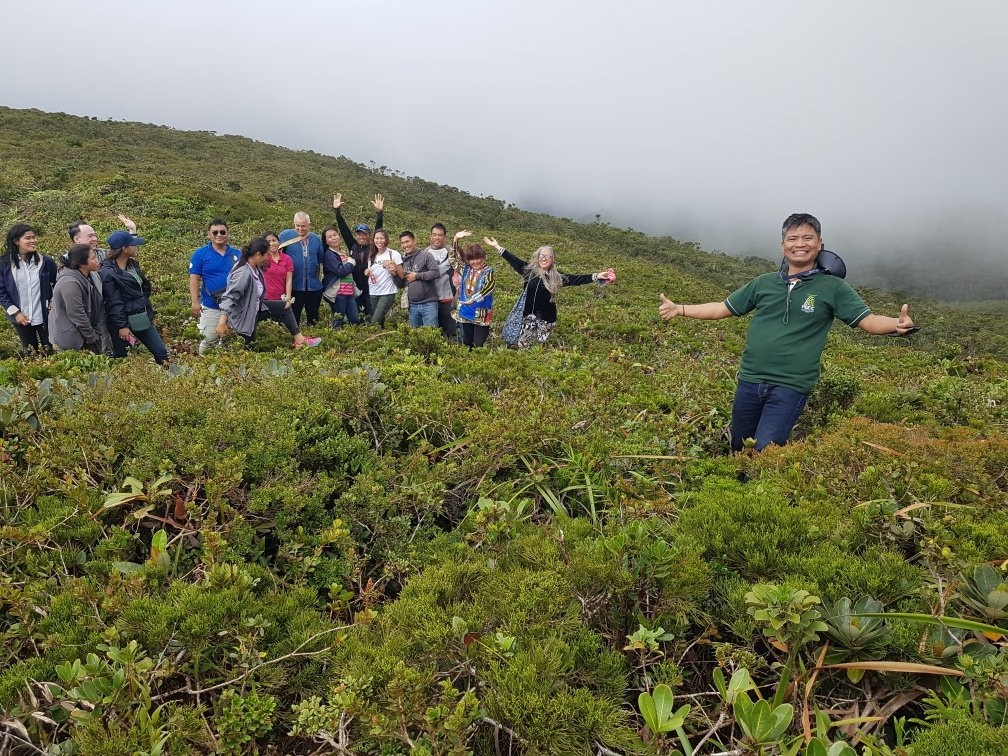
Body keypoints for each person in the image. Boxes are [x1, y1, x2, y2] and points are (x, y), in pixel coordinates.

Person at [658, 212, 915, 452]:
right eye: (792, 238)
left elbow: (868, 321)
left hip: (790, 386)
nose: (799, 244)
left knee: (765, 450)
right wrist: (680, 309)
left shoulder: (833, 287)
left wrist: (896, 323)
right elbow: (722, 308)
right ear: (782, 245)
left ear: (820, 243)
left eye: (807, 238)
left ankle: (756, 496)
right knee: (739, 447)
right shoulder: (763, 283)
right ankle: (736, 491)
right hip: (750, 380)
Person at [483, 236, 615, 348]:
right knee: (523, 345)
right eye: (542, 256)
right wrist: (497, 246)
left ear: (552, 260)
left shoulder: (557, 277)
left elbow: (577, 279)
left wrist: (597, 275)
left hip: (546, 319)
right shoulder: (529, 271)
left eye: (548, 256)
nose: (544, 258)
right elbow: (514, 260)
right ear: (538, 257)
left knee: (539, 348)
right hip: (528, 316)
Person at [215, 237, 322, 350]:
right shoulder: (243, 273)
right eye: (267, 255)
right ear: (258, 255)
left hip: (256, 308)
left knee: (284, 306)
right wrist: (222, 322)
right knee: (248, 349)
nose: (268, 258)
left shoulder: (255, 268)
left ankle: (300, 340)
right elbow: (230, 296)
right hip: (245, 316)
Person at [100, 230, 170, 365]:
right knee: (121, 358)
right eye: (133, 245)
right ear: (124, 249)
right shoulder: (107, 272)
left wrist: (149, 314)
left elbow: (142, 291)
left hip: (141, 317)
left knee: (161, 353)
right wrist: (122, 326)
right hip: (122, 322)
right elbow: (114, 302)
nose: (136, 247)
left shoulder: (132, 265)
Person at [1, 224, 57, 354]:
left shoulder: (46, 262)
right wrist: (16, 313)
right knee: (30, 352)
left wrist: (53, 302)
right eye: (28, 238)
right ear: (16, 241)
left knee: (50, 349)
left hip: (45, 315)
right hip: (21, 317)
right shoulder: (5, 263)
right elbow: (1, 292)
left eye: (34, 237)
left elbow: (57, 283)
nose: (33, 241)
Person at [189, 219, 240, 355]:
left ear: (228, 234)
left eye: (222, 232)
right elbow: (194, 278)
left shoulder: (237, 254)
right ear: (208, 234)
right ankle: (202, 368)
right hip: (212, 306)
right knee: (209, 340)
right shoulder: (200, 254)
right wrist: (195, 302)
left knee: (231, 342)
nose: (219, 235)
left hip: (235, 307)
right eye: (215, 232)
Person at [332, 192, 384, 319]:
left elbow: (378, 229)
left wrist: (379, 214)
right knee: (357, 317)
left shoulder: (373, 247)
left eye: (364, 234)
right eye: (359, 234)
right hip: (354, 289)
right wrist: (337, 211)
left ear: (369, 235)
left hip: (370, 289)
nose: (361, 236)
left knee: (372, 316)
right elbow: (343, 229)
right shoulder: (353, 246)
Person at [49, 244, 108, 353]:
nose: (97, 260)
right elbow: (77, 313)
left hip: (81, 334)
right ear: (82, 263)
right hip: (70, 338)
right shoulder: (70, 282)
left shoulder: (87, 276)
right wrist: (91, 336)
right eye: (93, 258)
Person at [278, 212, 324, 326]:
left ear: (309, 225)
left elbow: (319, 261)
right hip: (294, 286)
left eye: (303, 226)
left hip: (313, 288)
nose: (300, 228)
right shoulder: (285, 235)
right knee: (293, 319)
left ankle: (313, 339)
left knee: (313, 319)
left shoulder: (316, 239)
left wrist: (317, 279)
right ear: (293, 224)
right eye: (297, 225)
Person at [451, 232, 495, 348]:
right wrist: (455, 239)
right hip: (465, 313)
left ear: (483, 257)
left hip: (481, 315)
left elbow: (489, 286)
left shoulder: (488, 271)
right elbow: (454, 258)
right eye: (472, 259)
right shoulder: (464, 269)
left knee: (478, 345)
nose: (475, 262)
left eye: (478, 258)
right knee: (466, 343)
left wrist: (474, 299)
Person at [393, 231, 439, 327]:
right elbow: (401, 284)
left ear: (414, 241)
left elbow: (435, 273)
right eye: (402, 243)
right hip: (412, 305)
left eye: (407, 241)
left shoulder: (426, 255)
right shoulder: (401, 261)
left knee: (431, 334)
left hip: (429, 304)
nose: (405, 245)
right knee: (416, 336)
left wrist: (417, 276)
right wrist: (393, 274)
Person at [319, 225, 358, 328]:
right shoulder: (329, 254)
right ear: (326, 241)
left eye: (335, 235)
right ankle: (337, 342)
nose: (333, 238)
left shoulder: (343, 252)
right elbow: (340, 271)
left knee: (354, 320)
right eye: (330, 237)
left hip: (349, 292)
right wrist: (351, 263)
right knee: (338, 321)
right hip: (338, 293)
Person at [363, 228, 403, 327]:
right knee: (380, 322)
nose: (379, 241)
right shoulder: (371, 254)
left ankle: (372, 336)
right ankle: (382, 339)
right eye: (377, 238)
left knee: (374, 322)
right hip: (373, 292)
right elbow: (371, 271)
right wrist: (366, 272)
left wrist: (391, 265)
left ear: (386, 239)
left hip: (387, 293)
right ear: (373, 239)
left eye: (382, 238)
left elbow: (401, 275)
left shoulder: (393, 254)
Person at [426, 223, 458, 339]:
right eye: (434, 235)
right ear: (430, 236)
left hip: (448, 297)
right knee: (435, 331)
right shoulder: (426, 252)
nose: (437, 238)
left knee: (450, 331)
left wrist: (456, 240)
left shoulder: (451, 251)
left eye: (440, 235)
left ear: (444, 237)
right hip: (430, 299)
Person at [69, 213, 137, 263]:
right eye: (90, 236)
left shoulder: (103, 254)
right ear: (76, 239)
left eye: (95, 235)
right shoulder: (69, 261)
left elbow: (126, 258)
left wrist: (132, 230)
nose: (95, 239)